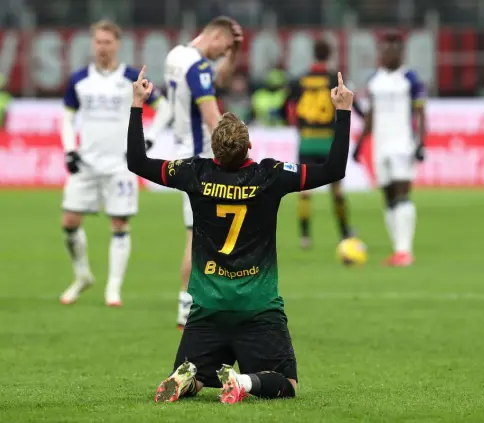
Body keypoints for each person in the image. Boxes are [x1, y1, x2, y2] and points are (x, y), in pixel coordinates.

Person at [126, 66, 353, 403]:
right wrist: (343, 111)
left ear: (214, 151)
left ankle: (191, 378)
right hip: (258, 308)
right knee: (286, 383)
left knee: (200, 376)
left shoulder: (194, 172)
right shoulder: (270, 175)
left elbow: (137, 162)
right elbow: (334, 169)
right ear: (249, 146)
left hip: (207, 309)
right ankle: (244, 384)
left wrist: (136, 104)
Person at [59, 20, 171, 306]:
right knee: (69, 221)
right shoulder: (79, 80)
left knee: (119, 223)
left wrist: (149, 139)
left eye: (107, 42)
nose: (102, 47)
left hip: (121, 164)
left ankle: (113, 288)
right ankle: (83, 275)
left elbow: (164, 107)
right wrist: (70, 150)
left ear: (117, 44)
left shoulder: (132, 78)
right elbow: (68, 118)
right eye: (98, 41)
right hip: (87, 162)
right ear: (92, 44)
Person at [164, 16, 243, 329]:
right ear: (215, 36)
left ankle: (199, 301)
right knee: (198, 235)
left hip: (183, 154)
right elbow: (213, 118)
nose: (224, 54)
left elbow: (218, 79)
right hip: (202, 159)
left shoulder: (176, 56)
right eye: (224, 47)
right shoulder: (197, 68)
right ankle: (188, 306)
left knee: (204, 233)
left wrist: (233, 54)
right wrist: (238, 146)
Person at [353, 32, 426, 267]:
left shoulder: (411, 79)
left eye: (389, 50)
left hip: (403, 144)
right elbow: (371, 116)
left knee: (402, 193)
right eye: (382, 50)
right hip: (380, 146)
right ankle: (398, 249)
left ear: (400, 53)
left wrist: (421, 142)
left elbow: (421, 114)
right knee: (388, 197)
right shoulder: (375, 80)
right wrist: (359, 143)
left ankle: (405, 250)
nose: (384, 54)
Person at [291, 39, 354, 249]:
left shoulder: (301, 80)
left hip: (307, 139)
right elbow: (348, 102)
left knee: (305, 192)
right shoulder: (333, 78)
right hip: (328, 140)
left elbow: (288, 106)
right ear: (329, 55)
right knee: (336, 191)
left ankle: (305, 236)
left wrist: (298, 125)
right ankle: (345, 233)